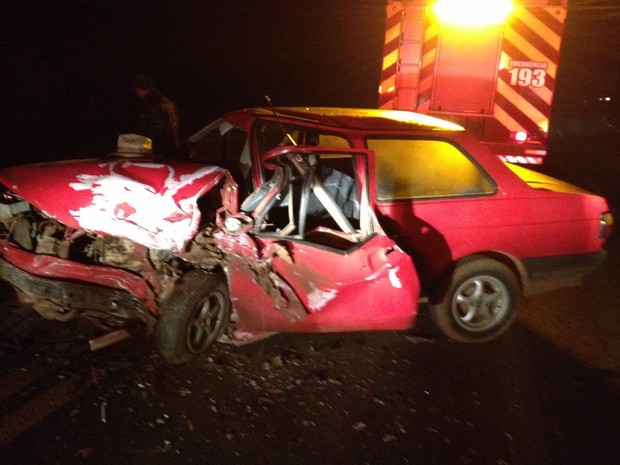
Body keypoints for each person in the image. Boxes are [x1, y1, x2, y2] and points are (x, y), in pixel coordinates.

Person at [132, 74, 181, 155]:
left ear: (138, 89)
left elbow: (153, 130)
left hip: (158, 150)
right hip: (172, 147)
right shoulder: (167, 101)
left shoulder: (149, 103)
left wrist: (142, 147)